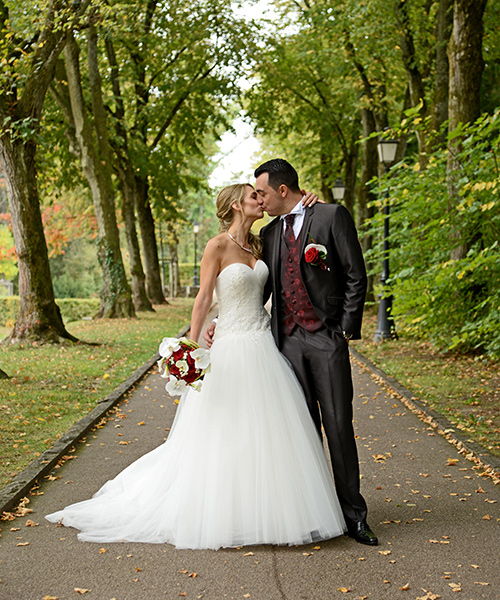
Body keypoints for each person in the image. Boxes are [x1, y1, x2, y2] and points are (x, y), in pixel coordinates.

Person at [45, 183, 346, 550]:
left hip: (263, 343)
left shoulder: (261, 242)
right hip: (230, 346)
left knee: (266, 429)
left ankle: (264, 507)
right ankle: (221, 509)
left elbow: (276, 279)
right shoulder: (216, 246)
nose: (261, 200)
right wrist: (191, 341)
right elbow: (204, 296)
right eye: (255, 196)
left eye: (262, 195)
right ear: (237, 204)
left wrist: (309, 198)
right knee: (223, 431)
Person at [206, 159, 377, 546]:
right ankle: (317, 513)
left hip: (327, 339)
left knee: (337, 426)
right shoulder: (268, 232)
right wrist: (226, 317)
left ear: (282, 190)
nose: (259, 200)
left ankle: (354, 516)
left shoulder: (332, 216)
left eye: (262, 192)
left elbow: (355, 274)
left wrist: (345, 331)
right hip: (285, 343)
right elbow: (260, 286)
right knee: (299, 431)